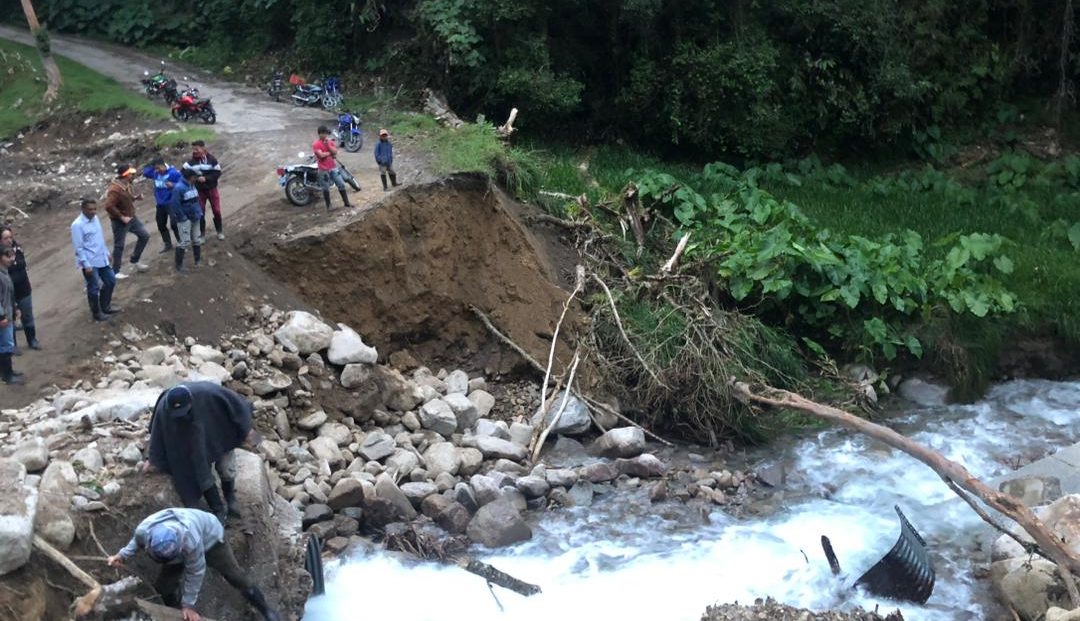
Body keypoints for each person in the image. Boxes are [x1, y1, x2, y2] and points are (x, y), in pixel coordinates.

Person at [107, 507, 280, 621]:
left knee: (233, 575)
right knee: (163, 588)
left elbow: (196, 572)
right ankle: (174, 614)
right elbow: (136, 542)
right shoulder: (145, 530)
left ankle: (265, 609)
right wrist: (121, 555)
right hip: (177, 548)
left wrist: (189, 605)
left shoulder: (191, 541)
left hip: (211, 538)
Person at [147, 382, 253, 523]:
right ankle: (218, 509)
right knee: (199, 471)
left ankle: (230, 497)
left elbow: (238, 406)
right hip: (186, 438)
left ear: (190, 402)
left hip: (217, 430)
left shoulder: (209, 393)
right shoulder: (164, 411)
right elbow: (157, 437)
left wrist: (245, 430)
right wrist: (153, 459)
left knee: (226, 468)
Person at [71, 198, 119, 322]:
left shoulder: (95, 219)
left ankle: (105, 306)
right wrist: (86, 264)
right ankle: (96, 313)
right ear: (83, 209)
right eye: (90, 209)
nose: (93, 212)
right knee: (93, 288)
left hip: (101, 257)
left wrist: (106, 252)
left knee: (111, 280)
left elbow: (99, 238)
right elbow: (79, 247)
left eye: (95, 209)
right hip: (90, 261)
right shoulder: (77, 225)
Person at [103, 164, 150, 280]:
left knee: (144, 236)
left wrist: (135, 198)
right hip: (120, 221)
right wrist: (121, 217)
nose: (133, 175)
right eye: (131, 173)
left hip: (131, 217)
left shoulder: (127, 185)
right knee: (119, 245)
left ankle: (135, 260)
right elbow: (109, 206)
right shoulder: (115, 189)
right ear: (125, 175)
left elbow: (126, 198)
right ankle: (115, 271)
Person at [1, 226, 39, 352]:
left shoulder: (17, 248)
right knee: (10, 319)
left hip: (23, 289)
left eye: (10, 237)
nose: (9, 240)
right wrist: (14, 265)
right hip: (7, 293)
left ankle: (32, 339)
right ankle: (13, 345)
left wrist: (13, 266)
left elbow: (22, 265)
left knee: (27, 316)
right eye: (5, 238)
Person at [183, 140, 225, 242]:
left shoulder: (212, 160)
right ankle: (202, 235)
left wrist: (206, 178)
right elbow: (184, 172)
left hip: (211, 189)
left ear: (203, 148)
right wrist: (196, 178)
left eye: (196, 149)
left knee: (217, 210)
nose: (194, 151)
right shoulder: (190, 162)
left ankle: (219, 232)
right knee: (200, 212)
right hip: (199, 191)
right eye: (193, 149)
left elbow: (218, 173)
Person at [143, 158, 183, 253]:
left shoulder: (173, 173)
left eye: (158, 168)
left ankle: (181, 242)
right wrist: (152, 165)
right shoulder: (155, 173)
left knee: (174, 224)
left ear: (163, 165)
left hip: (171, 202)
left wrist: (173, 185)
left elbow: (183, 184)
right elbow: (145, 172)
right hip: (160, 204)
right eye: (155, 169)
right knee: (161, 224)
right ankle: (168, 244)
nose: (157, 171)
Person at [169, 169, 204, 274]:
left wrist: (199, 213)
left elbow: (195, 201)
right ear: (190, 177)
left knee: (196, 239)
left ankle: (197, 261)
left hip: (195, 216)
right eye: (195, 177)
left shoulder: (192, 185)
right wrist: (183, 218)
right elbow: (175, 205)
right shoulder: (179, 188)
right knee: (184, 241)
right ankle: (178, 266)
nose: (197, 178)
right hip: (185, 219)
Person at [312, 125, 353, 211]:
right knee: (325, 188)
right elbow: (321, 155)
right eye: (323, 133)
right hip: (323, 169)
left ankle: (346, 202)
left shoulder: (329, 142)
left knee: (341, 184)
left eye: (326, 133)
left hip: (333, 167)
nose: (325, 135)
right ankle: (329, 206)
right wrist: (329, 153)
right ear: (319, 134)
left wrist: (328, 148)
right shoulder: (316, 144)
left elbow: (335, 152)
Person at [0, 244, 23, 384]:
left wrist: (15, 308)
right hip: (3, 317)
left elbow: (9, 295)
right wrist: (1, 316)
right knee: (5, 345)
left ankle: (8, 372)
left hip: (8, 313)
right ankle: (7, 375)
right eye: (7, 256)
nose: (11, 259)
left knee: (6, 344)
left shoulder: (4, 272)